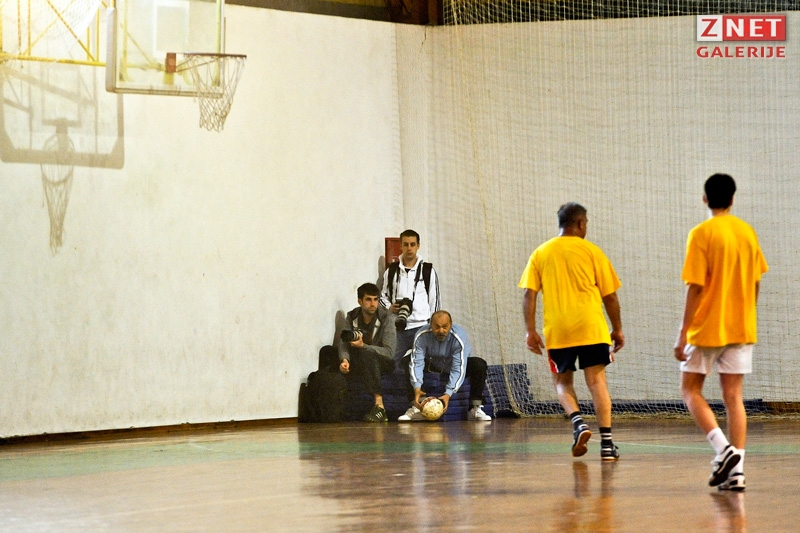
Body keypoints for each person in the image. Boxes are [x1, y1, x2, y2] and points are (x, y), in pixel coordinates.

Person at [674, 173, 768, 492]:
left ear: (705, 198)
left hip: (707, 327)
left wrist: (683, 333)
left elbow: (695, 287)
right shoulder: (747, 232)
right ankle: (737, 472)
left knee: (690, 390)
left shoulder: (701, 233)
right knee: (733, 397)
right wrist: (746, 315)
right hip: (741, 326)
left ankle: (723, 449)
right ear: (732, 198)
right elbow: (755, 282)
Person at [519, 202, 624, 461]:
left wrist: (530, 330)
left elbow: (529, 294)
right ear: (580, 223)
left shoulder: (541, 253)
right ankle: (607, 446)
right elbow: (610, 297)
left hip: (559, 330)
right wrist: (617, 329)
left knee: (562, 383)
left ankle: (578, 423)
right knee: (597, 382)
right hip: (591, 327)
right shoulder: (592, 251)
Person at [398, 310, 492, 422]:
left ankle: (474, 408)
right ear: (430, 325)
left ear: (450, 325)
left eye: (444, 327)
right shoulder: (422, 335)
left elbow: (458, 368)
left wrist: (448, 393)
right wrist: (416, 387)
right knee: (407, 360)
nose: (441, 330)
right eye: (437, 327)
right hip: (433, 364)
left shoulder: (458, 337)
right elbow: (417, 363)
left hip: (452, 365)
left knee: (479, 364)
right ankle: (418, 407)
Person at [335, 283, 397, 422]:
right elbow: (344, 342)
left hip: (383, 361)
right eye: (368, 299)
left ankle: (380, 406)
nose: (373, 304)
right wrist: (344, 360)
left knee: (366, 354)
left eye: (375, 299)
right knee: (327, 351)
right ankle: (333, 407)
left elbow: (389, 352)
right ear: (360, 301)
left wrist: (364, 346)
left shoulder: (387, 318)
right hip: (359, 358)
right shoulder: (352, 316)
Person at [380, 229, 440, 364]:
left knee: (424, 365)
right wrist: (390, 307)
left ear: (418, 246)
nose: (409, 248)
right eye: (405, 244)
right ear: (400, 246)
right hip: (397, 327)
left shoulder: (428, 271)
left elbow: (434, 301)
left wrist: (433, 326)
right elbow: (382, 297)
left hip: (421, 327)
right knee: (388, 364)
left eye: (412, 244)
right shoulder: (391, 271)